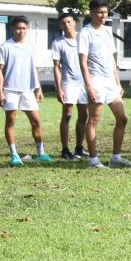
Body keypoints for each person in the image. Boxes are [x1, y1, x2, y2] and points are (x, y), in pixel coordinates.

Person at [78, 0, 131, 168]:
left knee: (122, 118)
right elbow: (83, 61)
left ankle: (115, 158)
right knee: (94, 119)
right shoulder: (85, 33)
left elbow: (111, 58)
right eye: (99, 12)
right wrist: (89, 86)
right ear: (91, 13)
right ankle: (93, 160)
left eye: (105, 12)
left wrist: (118, 83)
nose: (103, 15)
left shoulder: (107, 31)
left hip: (110, 82)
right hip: (95, 81)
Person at [0, 16, 50, 166]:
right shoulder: (5, 46)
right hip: (10, 90)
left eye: (24, 28)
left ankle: (41, 153)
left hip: (28, 90)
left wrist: (38, 88)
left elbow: (33, 68)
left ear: (27, 29)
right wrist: (0, 91)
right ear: (12, 29)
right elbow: (0, 70)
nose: (21, 31)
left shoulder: (30, 46)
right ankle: (14, 155)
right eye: (18, 28)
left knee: (36, 121)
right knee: (11, 121)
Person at [50, 13, 87, 160]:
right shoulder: (58, 43)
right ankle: (65, 149)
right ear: (60, 25)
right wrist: (59, 88)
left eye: (69, 22)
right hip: (68, 83)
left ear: (75, 23)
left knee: (84, 115)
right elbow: (56, 67)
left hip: (84, 83)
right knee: (67, 115)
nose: (67, 25)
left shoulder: (82, 38)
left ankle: (79, 147)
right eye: (64, 23)